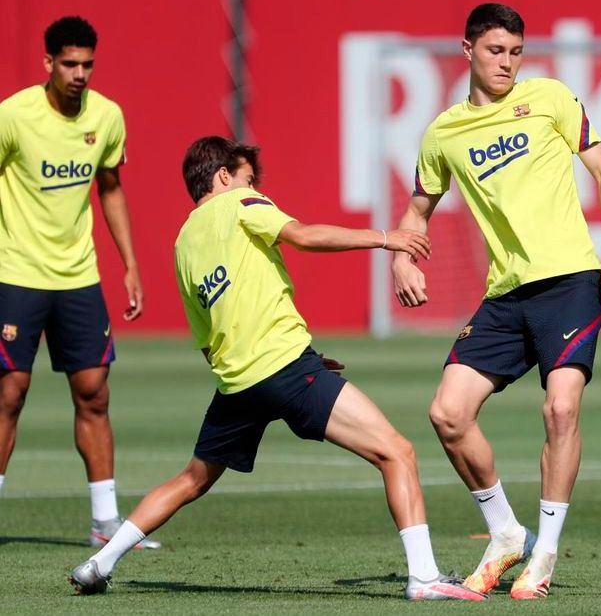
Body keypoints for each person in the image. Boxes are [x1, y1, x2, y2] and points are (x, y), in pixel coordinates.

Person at [68, 137, 483, 601]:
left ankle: (99, 563)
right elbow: (303, 236)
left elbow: (207, 342)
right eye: (246, 177)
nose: (255, 187)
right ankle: (424, 579)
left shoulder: (183, 244)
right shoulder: (242, 202)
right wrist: (387, 238)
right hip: (286, 369)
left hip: (238, 383)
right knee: (397, 452)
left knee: (191, 479)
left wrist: (286, 365)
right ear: (223, 177)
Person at [392, 3, 601, 600]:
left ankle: (546, 553)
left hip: (570, 282)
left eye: (515, 52)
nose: (506, 63)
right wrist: (402, 256)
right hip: (505, 294)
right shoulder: (443, 133)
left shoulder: (552, 99)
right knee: (447, 414)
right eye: (495, 51)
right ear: (468, 50)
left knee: (560, 410)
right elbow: (416, 212)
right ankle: (506, 532)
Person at [0, 16, 157, 548]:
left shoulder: (107, 116)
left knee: (93, 394)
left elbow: (110, 187)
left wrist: (129, 262)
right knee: (9, 393)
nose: (80, 73)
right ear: (48, 63)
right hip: (16, 272)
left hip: (78, 276)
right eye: (69, 63)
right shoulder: (13, 117)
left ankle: (105, 523)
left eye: (88, 64)